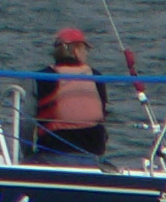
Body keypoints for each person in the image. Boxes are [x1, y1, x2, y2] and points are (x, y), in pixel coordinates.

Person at [32, 26, 110, 165]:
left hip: (52, 152)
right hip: (93, 154)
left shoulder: (42, 77)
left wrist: (25, 151)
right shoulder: (96, 76)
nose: (86, 54)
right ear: (77, 51)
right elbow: (102, 112)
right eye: (85, 49)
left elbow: (26, 121)